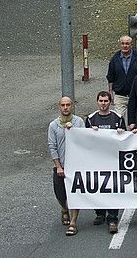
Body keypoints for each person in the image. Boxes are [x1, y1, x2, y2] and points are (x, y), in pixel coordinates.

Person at [85, 91, 127, 232]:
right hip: (96, 161)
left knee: (113, 188)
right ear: (97, 102)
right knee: (97, 187)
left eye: (106, 101)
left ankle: (113, 218)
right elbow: (83, 139)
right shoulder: (91, 119)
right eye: (101, 101)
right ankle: (100, 213)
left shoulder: (118, 117)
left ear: (110, 102)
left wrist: (122, 133)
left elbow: (127, 139)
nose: (103, 104)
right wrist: (91, 132)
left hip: (113, 161)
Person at [48, 96, 84, 236]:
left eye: (68, 105)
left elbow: (84, 140)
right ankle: (64, 208)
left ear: (72, 106)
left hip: (75, 165)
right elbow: (52, 146)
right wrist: (58, 166)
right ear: (59, 107)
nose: (65, 107)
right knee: (60, 193)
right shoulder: (53, 125)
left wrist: (73, 130)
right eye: (63, 105)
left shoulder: (79, 122)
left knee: (75, 194)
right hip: (61, 164)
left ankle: (73, 222)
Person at [106, 35, 137, 120]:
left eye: (127, 43)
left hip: (135, 95)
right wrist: (110, 92)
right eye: (122, 43)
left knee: (135, 120)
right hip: (120, 95)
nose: (125, 46)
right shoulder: (114, 59)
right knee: (119, 120)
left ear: (131, 45)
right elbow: (110, 77)